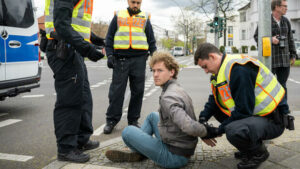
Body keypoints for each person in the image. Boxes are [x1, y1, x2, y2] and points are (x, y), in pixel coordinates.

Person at [105, 52, 218, 168]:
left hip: (174, 156)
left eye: (160, 70)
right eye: (153, 71)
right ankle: (141, 151)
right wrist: (204, 134)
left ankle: (140, 152)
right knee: (152, 116)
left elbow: (188, 125)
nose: (155, 75)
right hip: (183, 147)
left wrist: (206, 132)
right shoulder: (176, 87)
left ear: (172, 72)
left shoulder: (168, 97)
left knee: (127, 131)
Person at [194, 43, 292, 169]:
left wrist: (217, 131)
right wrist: (203, 118)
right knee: (220, 112)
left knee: (233, 130)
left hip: (273, 120)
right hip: (258, 116)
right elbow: (215, 99)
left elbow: (243, 111)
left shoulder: (239, 69)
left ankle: (258, 153)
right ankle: (249, 148)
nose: (206, 71)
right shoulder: (222, 69)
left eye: (205, 67)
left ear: (212, 56)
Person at [45, 0, 105, 163]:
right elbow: (61, 25)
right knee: (69, 101)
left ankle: (81, 140)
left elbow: (76, 25)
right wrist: (88, 49)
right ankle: (66, 149)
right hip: (63, 50)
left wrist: (98, 40)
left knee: (83, 96)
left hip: (72, 50)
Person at [104, 0, 157, 134]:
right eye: (133, 2)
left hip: (139, 60)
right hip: (120, 59)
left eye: (138, 3)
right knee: (117, 92)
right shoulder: (119, 15)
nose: (135, 5)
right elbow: (109, 37)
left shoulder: (145, 17)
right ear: (128, 1)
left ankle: (133, 120)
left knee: (138, 91)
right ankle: (111, 120)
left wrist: (155, 59)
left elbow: (151, 40)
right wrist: (109, 55)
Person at [254, 0, 298, 102]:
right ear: (277, 7)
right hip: (271, 60)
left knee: (282, 86)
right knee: (269, 86)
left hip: (284, 60)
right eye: (285, 6)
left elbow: (290, 38)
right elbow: (256, 37)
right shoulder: (265, 20)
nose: (286, 8)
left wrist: (293, 54)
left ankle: (283, 111)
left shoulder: (286, 21)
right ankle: (271, 110)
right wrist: (270, 40)